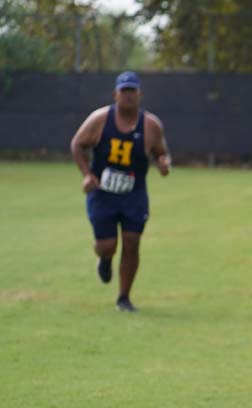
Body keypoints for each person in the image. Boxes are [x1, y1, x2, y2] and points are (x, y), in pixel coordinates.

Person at [69, 71, 171, 312]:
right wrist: (87, 174)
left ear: (140, 94)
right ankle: (104, 259)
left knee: (132, 242)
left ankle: (124, 297)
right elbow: (77, 144)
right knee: (107, 245)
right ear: (115, 94)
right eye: (124, 91)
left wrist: (163, 163)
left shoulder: (151, 125)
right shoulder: (100, 119)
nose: (128, 96)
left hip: (134, 194)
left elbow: (161, 152)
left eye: (132, 91)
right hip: (103, 194)